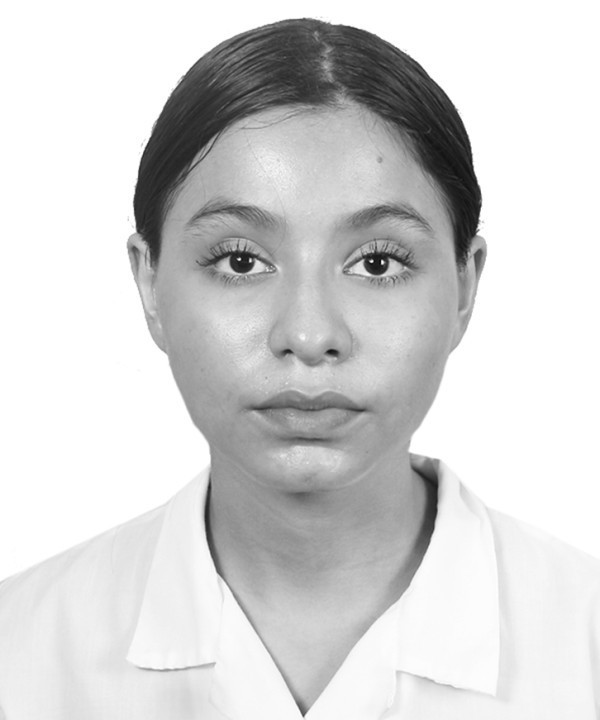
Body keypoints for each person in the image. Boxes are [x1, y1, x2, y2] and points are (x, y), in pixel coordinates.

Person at [0, 17, 598, 719]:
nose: (310, 336)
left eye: (377, 263)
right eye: (240, 261)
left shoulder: (583, 641)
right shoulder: (20, 649)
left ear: (464, 287)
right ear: (149, 283)